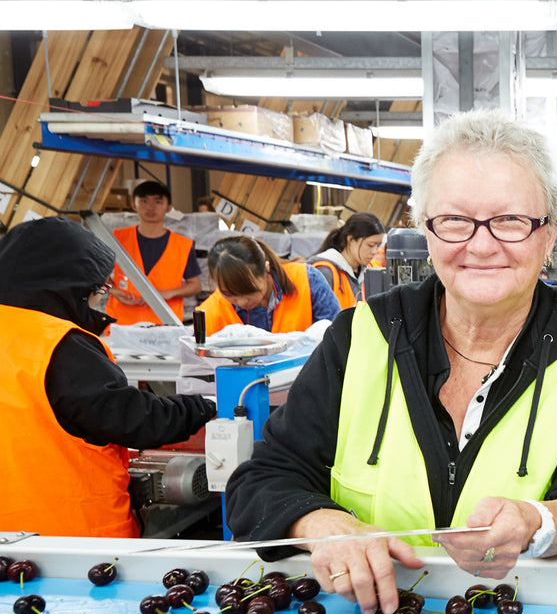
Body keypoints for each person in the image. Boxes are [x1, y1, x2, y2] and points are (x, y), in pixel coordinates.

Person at [226, 110, 557, 614]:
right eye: (455, 221)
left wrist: (538, 520)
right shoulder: (360, 336)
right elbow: (261, 482)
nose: (482, 244)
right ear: (425, 228)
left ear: (549, 232)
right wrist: (321, 526)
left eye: (510, 220)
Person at [0, 217, 216, 537]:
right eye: (98, 290)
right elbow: (134, 419)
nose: (99, 300)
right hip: (72, 537)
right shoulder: (60, 344)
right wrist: (207, 405)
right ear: (68, 286)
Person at [196, 236, 341, 333]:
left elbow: (338, 335)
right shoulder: (211, 310)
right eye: (230, 295)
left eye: (249, 291)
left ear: (266, 268)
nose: (241, 302)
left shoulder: (307, 280)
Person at [106, 180, 202, 325]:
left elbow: (195, 285)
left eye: (158, 202)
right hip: (122, 324)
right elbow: (97, 276)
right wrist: (113, 291)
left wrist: (168, 294)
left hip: (165, 325)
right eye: (144, 201)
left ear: (168, 207)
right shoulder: (118, 239)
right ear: (134, 205)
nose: (150, 207)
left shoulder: (182, 245)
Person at [310, 211, 385, 309]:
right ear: (351, 240)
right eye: (370, 245)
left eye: (378, 246)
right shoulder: (324, 271)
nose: (374, 251)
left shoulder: (372, 268)